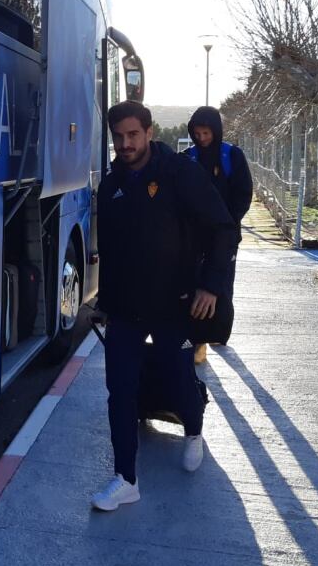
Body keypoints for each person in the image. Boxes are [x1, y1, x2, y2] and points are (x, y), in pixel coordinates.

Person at [91, 101, 237, 512]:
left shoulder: (179, 174)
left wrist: (211, 286)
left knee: (177, 379)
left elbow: (223, 229)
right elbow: (113, 251)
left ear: (150, 132)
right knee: (119, 390)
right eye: (118, 137)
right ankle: (126, 478)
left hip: (176, 302)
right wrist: (104, 301)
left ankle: (193, 431)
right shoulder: (111, 184)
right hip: (125, 307)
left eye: (133, 135)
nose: (126, 144)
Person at [183, 106, 253, 363]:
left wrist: (227, 222)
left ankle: (219, 332)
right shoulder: (188, 158)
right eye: (197, 133)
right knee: (195, 283)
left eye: (206, 133)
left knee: (221, 283)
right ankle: (198, 336)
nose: (202, 138)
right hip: (194, 236)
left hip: (225, 235)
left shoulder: (232, 156)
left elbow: (243, 193)